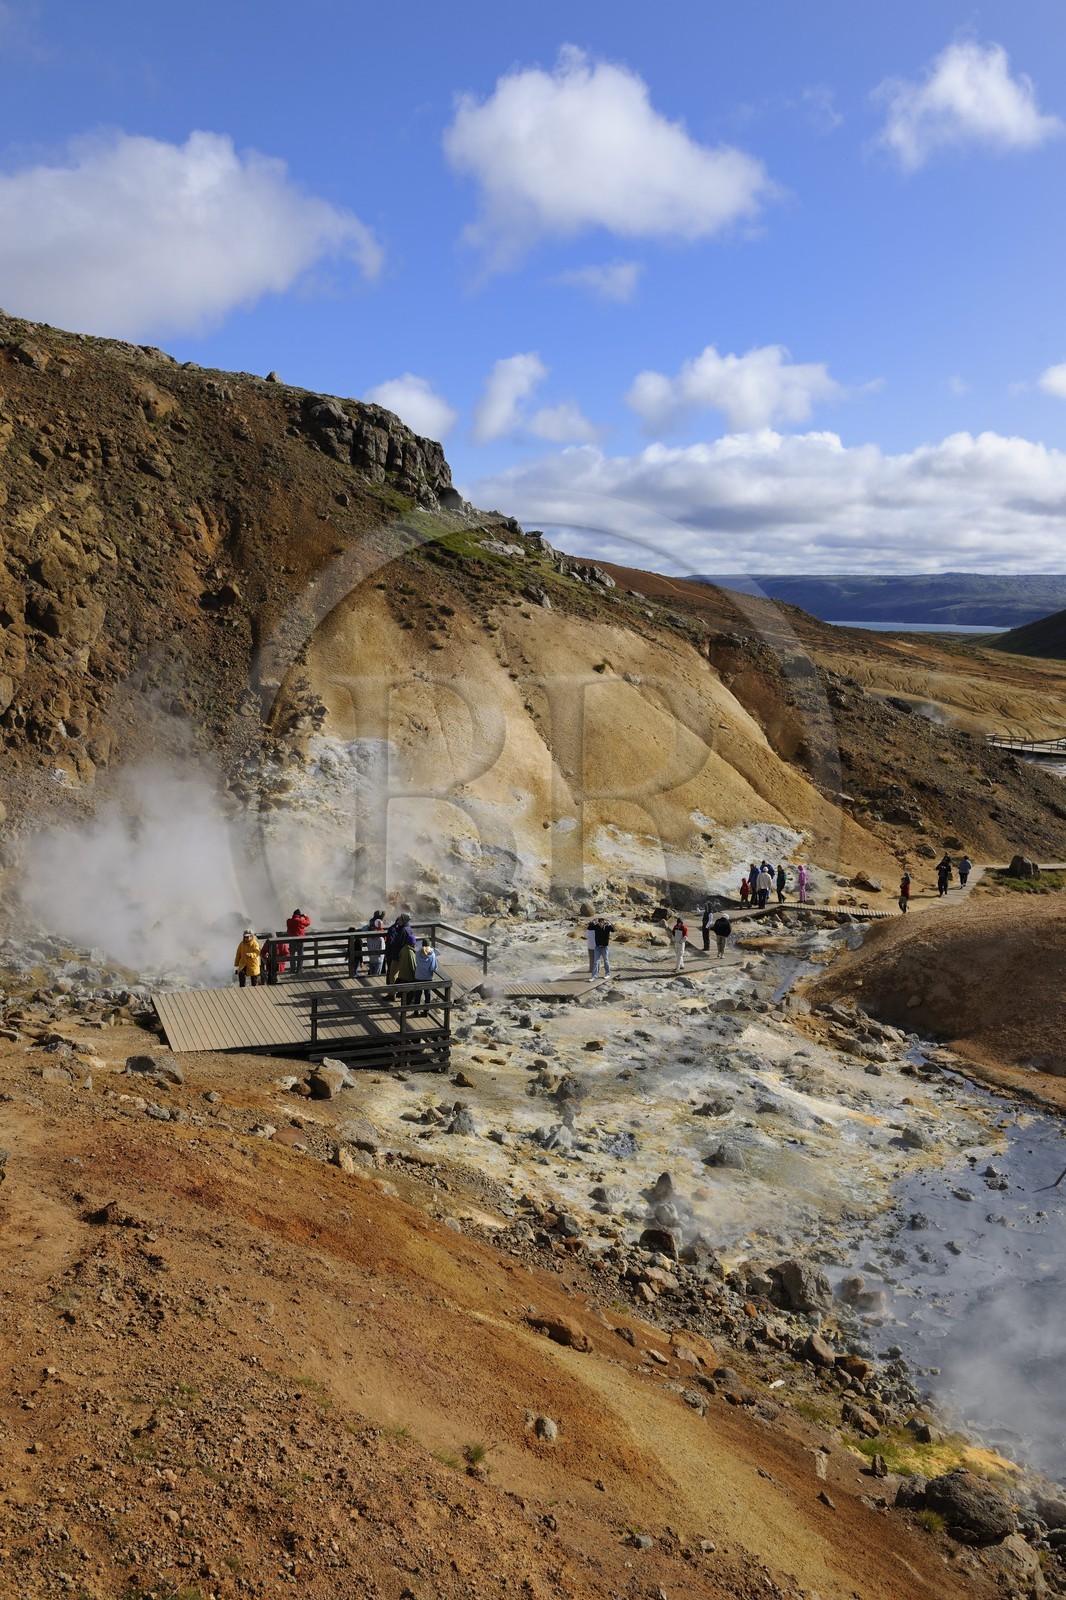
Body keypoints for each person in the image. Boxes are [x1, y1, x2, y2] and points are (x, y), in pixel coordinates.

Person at [385, 911, 416, 984]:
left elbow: (398, 943)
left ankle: (393, 993)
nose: (399, 921)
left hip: (397, 955)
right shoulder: (408, 928)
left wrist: (392, 942)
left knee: (392, 974)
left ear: (404, 920)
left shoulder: (403, 930)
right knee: (401, 974)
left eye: (400, 919)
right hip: (404, 954)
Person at [413, 937, 439, 1011]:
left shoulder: (417, 954)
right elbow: (433, 968)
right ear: (429, 945)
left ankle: (416, 1011)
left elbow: (416, 963)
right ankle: (426, 1012)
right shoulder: (432, 955)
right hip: (428, 978)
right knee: (427, 995)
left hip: (418, 977)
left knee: (417, 995)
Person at [286, 907, 311, 972]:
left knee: (292, 955)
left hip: (291, 940)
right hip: (300, 940)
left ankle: (292, 969)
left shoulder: (288, 921)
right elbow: (308, 923)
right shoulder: (300, 921)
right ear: (299, 915)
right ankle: (299, 969)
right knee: (300, 955)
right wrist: (306, 916)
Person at [366, 911, 385, 976]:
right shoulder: (380, 935)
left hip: (373, 957)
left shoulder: (371, 921)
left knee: (373, 970)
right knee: (377, 972)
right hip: (377, 958)